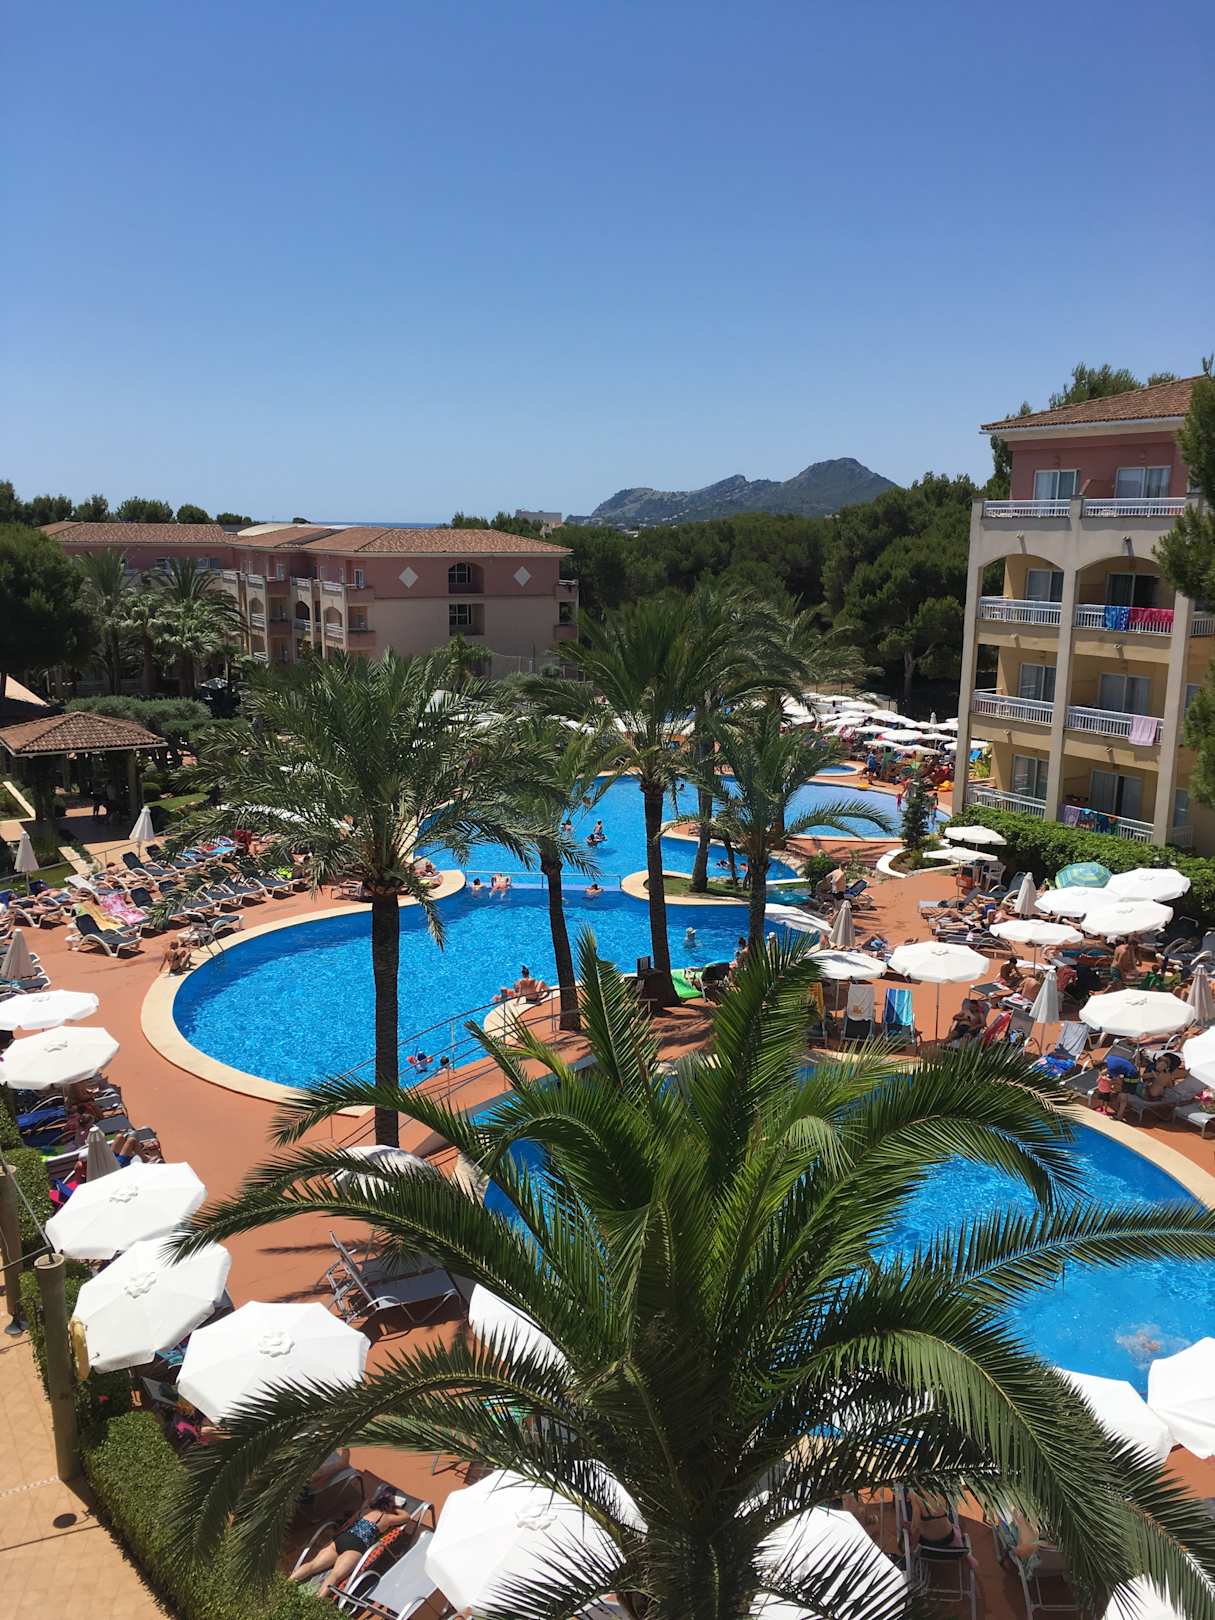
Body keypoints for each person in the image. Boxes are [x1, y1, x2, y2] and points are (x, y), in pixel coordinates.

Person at [288, 1483, 417, 1598]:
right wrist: (395, 1507)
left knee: (313, 1565)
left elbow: (361, 1508)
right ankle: (316, 1601)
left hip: (341, 1538)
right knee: (335, 1576)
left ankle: (287, 1583)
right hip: (356, 1545)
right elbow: (406, 1517)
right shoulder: (386, 1518)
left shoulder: (364, 1510)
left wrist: (375, 1501)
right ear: (389, 1506)